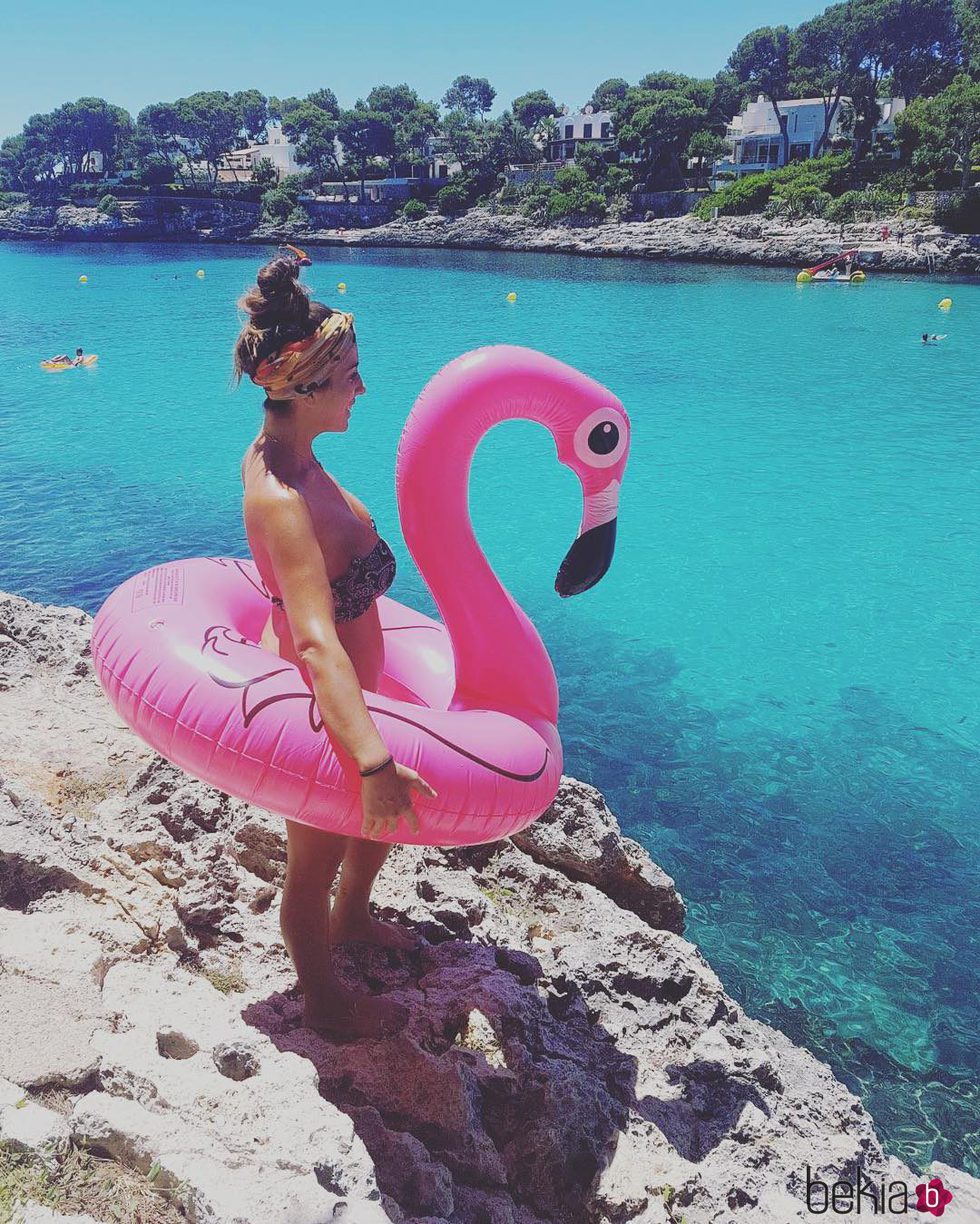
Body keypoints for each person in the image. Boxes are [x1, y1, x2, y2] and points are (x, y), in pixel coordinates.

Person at [233, 257, 436, 1039]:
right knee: (310, 863)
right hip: (321, 712)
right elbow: (316, 642)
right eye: (350, 374)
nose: (363, 387)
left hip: (361, 691)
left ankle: (355, 917)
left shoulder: (298, 461)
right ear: (304, 384)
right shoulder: (281, 497)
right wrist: (372, 762)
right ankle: (325, 1005)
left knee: (363, 834)